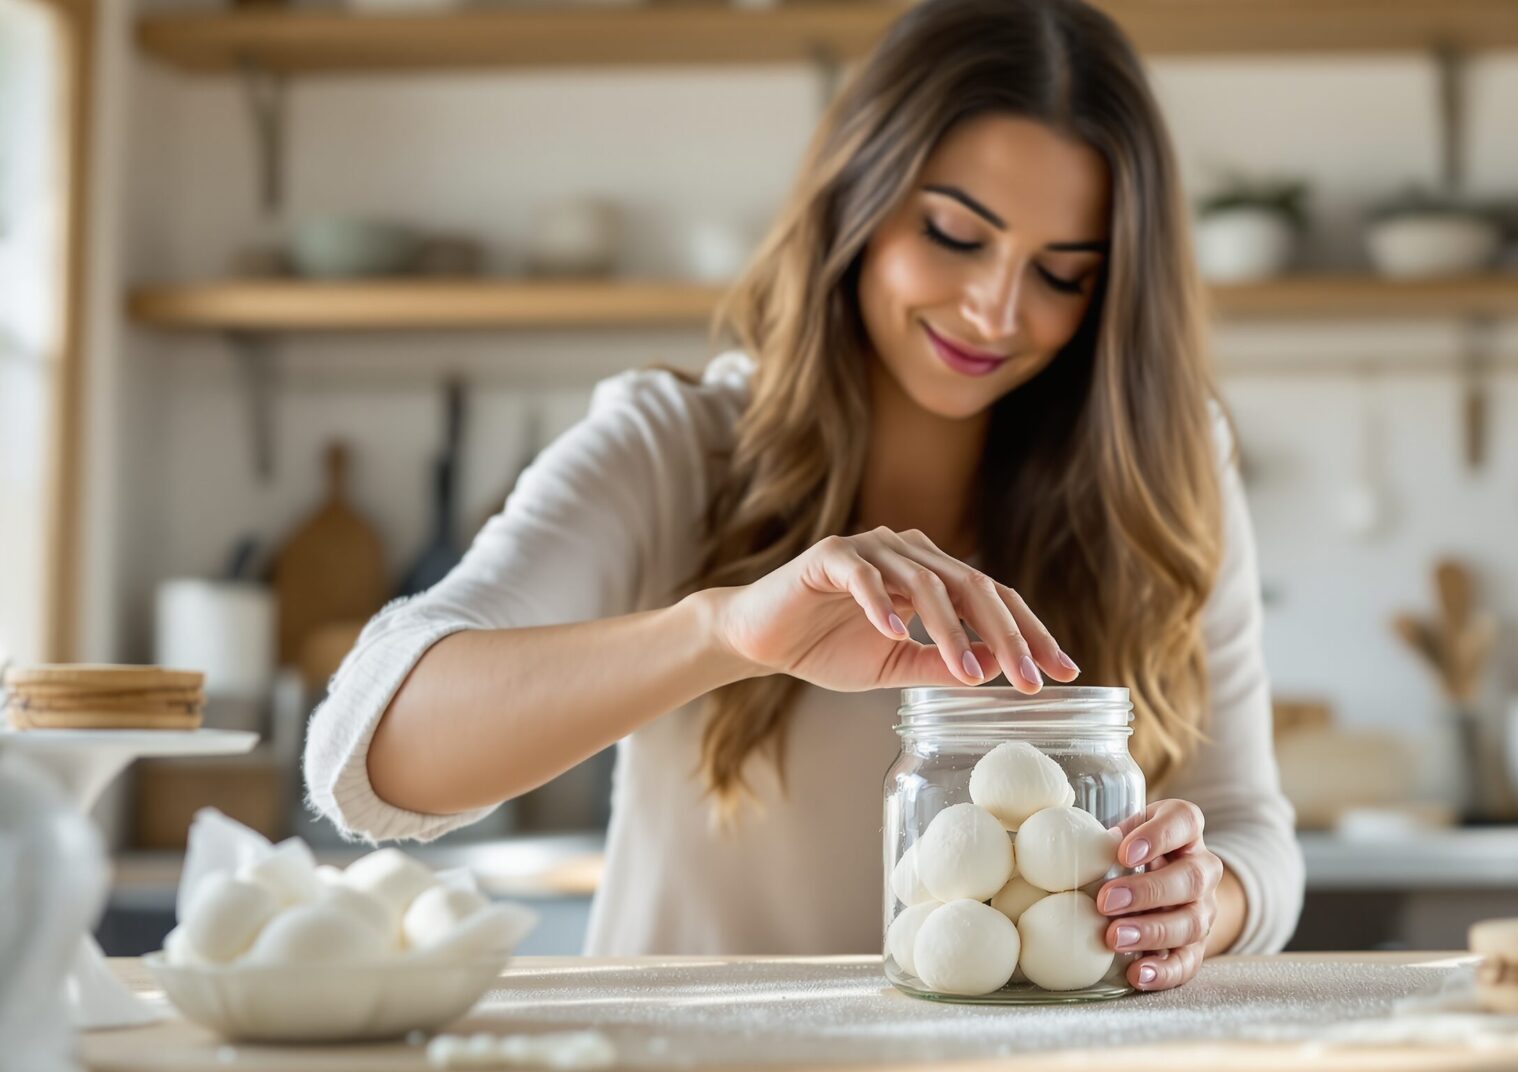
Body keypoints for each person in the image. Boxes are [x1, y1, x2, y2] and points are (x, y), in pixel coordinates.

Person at [306, 0, 1301, 992]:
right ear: (856, 202)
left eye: (1062, 273)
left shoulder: (1165, 467)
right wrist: (722, 634)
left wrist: (1202, 900)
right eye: (955, 235)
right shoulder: (675, 444)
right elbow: (368, 755)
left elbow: (1252, 830)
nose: (998, 310)